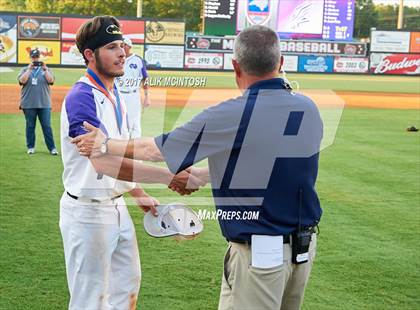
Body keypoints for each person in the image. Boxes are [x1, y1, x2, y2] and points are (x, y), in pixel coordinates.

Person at [73, 25, 323, 310]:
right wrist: (204, 176)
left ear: (235, 67)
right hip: (302, 255)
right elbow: (269, 166)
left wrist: (106, 143)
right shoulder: (308, 107)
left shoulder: (231, 113)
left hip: (260, 259)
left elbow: (155, 150)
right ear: (280, 63)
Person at [59, 15, 204, 310]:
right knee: (90, 300)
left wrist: (137, 193)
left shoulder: (115, 96)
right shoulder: (81, 98)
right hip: (87, 212)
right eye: (112, 47)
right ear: (90, 54)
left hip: (116, 207)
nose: (122, 52)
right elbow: (104, 164)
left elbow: (122, 153)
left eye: (122, 46)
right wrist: (169, 177)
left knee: (126, 289)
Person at [18, 49, 58, 155]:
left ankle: (52, 148)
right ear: (30, 58)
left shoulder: (46, 70)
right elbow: (22, 81)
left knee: (47, 126)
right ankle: (30, 147)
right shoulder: (24, 69)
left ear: (39, 58)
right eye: (33, 57)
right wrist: (29, 70)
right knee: (30, 126)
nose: (35, 59)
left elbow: (51, 81)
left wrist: (45, 69)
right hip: (28, 104)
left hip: (44, 103)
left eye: (37, 57)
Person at [116, 37, 150, 138]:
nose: (121, 47)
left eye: (123, 45)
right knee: (119, 121)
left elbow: (145, 79)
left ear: (129, 47)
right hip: (118, 94)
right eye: (120, 45)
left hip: (132, 95)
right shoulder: (116, 59)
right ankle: (123, 145)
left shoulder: (138, 60)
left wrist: (147, 96)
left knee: (134, 122)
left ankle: (135, 145)